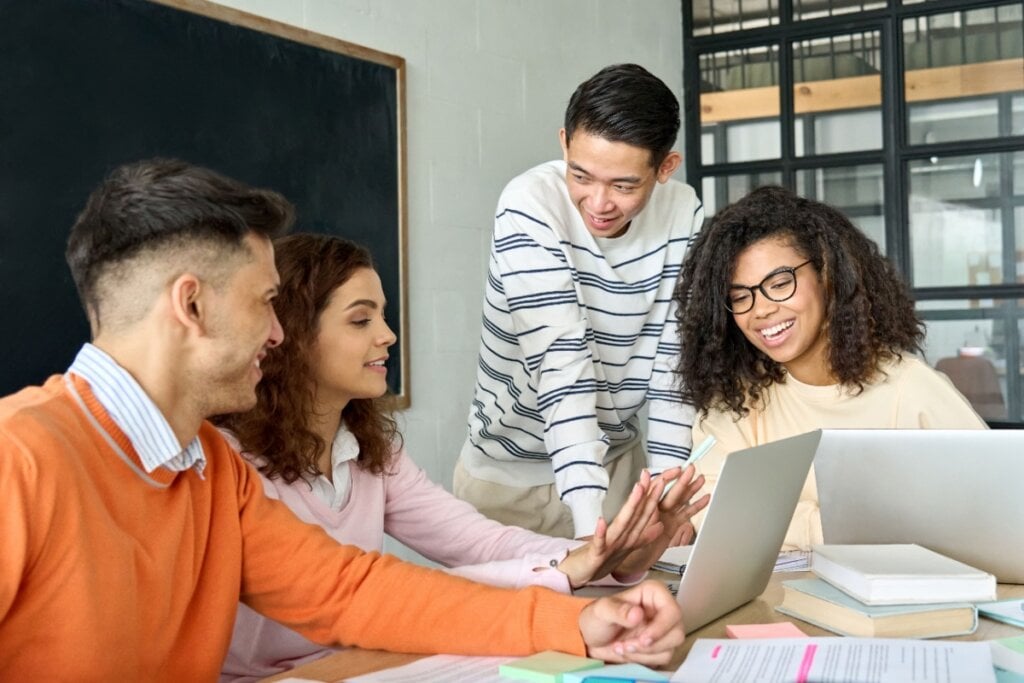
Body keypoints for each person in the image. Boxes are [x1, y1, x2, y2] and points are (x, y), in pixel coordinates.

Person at [0, 158, 687, 680]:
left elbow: (352, 589)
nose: (278, 334)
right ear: (192, 306)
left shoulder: (208, 467)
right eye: (265, 303)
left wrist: (581, 622)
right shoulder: (17, 458)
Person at [217, 233, 708, 681]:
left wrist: (601, 557)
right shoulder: (230, 464)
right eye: (361, 320)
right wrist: (568, 569)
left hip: (364, 661)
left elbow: (476, 541)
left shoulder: (373, 449)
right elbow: (371, 591)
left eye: (383, 316)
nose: (387, 335)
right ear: (293, 336)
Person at [455, 63, 706, 541]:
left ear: (665, 168)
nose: (598, 202)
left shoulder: (684, 212)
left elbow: (674, 371)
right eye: (582, 175)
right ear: (564, 142)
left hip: (616, 468)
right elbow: (561, 368)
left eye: (624, 185)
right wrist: (594, 535)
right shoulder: (529, 206)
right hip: (509, 481)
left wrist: (669, 494)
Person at [673, 185, 987, 552]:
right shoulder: (738, 401)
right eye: (740, 297)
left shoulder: (910, 388)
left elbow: (989, 506)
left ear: (828, 275)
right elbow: (714, 512)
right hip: (777, 607)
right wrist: (863, 527)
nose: (760, 310)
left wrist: (781, 522)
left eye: (779, 283)